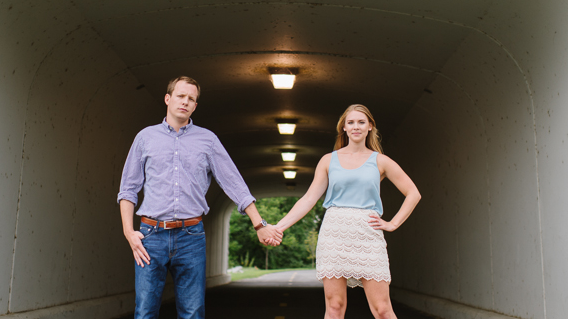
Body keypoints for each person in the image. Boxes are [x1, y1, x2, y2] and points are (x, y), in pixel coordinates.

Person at [117, 76, 282, 319]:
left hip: (191, 238)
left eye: (191, 99)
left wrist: (259, 224)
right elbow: (127, 190)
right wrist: (129, 233)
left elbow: (233, 182)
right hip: (150, 237)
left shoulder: (208, 140)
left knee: (193, 313)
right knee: (144, 312)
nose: (185, 102)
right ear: (168, 98)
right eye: (181, 96)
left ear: (195, 106)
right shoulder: (145, 138)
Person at [275, 104, 421, 319]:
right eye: (350, 122)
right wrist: (279, 227)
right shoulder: (328, 160)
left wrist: (393, 223)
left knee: (382, 309)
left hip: (368, 234)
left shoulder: (380, 161)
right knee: (334, 307)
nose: (356, 127)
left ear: (370, 126)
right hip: (334, 233)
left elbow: (413, 193)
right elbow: (308, 199)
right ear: (343, 127)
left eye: (361, 122)